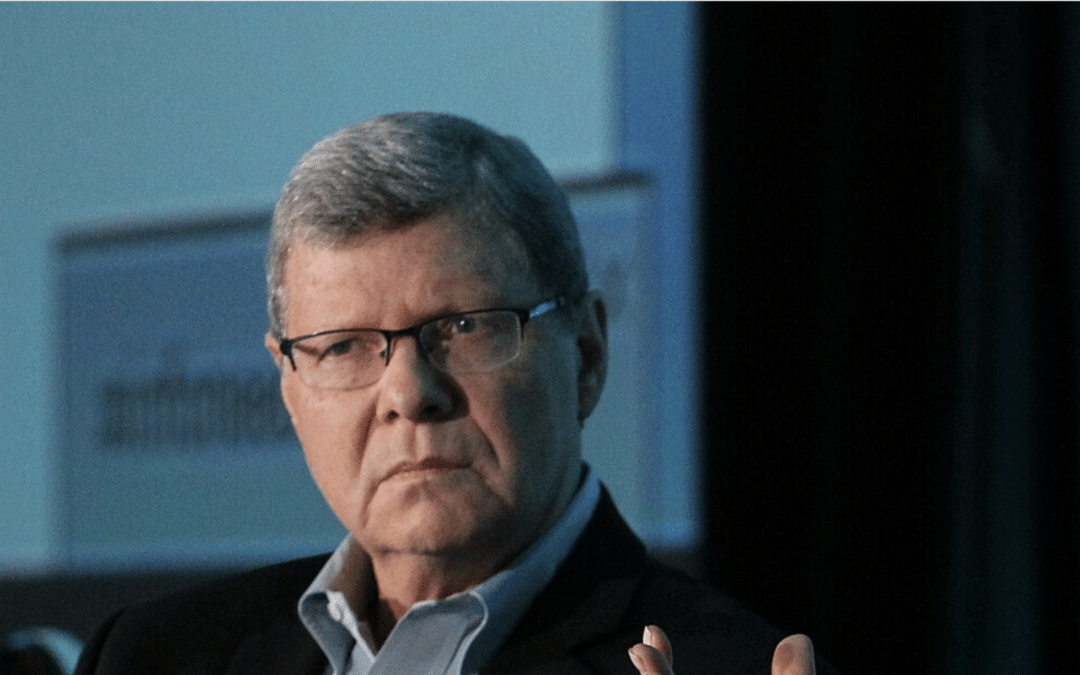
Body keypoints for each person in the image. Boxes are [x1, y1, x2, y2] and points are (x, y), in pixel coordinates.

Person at [74, 112, 824, 675]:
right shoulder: (150, 656)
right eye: (343, 345)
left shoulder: (729, 666)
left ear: (586, 355)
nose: (409, 392)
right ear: (290, 388)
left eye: (464, 327)